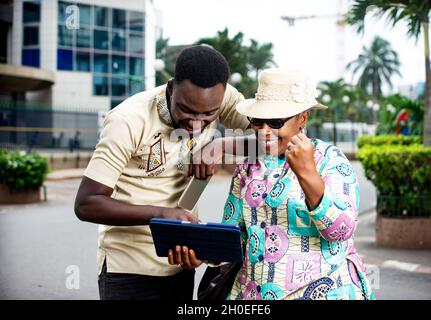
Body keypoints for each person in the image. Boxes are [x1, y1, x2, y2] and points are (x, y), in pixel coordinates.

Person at [74, 45, 250, 300]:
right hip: (128, 269)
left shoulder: (221, 96)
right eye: (187, 110)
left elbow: (273, 138)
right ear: (171, 87)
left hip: (181, 263)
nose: (197, 124)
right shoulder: (128, 120)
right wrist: (162, 215)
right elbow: (87, 204)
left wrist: (221, 144)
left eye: (209, 114)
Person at [219, 68, 375, 300]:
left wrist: (307, 174)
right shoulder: (248, 167)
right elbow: (234, 235)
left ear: (302, 118)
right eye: (258, 121)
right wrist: (202, 250)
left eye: (275, 122)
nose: (264, 131)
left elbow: (341, 230)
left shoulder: (329, 160)